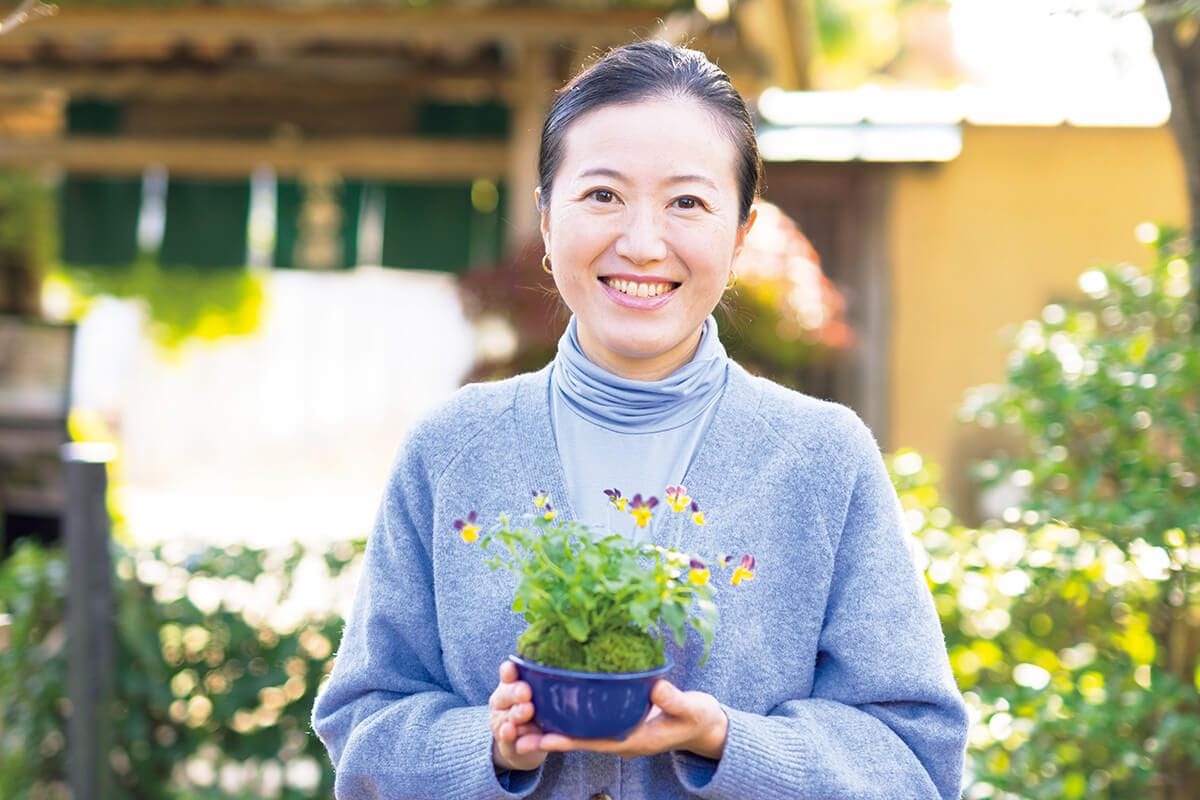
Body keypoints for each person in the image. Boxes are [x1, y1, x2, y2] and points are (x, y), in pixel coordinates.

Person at [312, 40, 969, 799]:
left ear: (742, 234)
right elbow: (364, 731)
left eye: (687, 202)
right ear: (547, 220)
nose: (643, 242)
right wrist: (491, 748)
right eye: (602, 195)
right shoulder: (452, 448)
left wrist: (725, 741)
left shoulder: (822, 459)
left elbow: (916, 761)